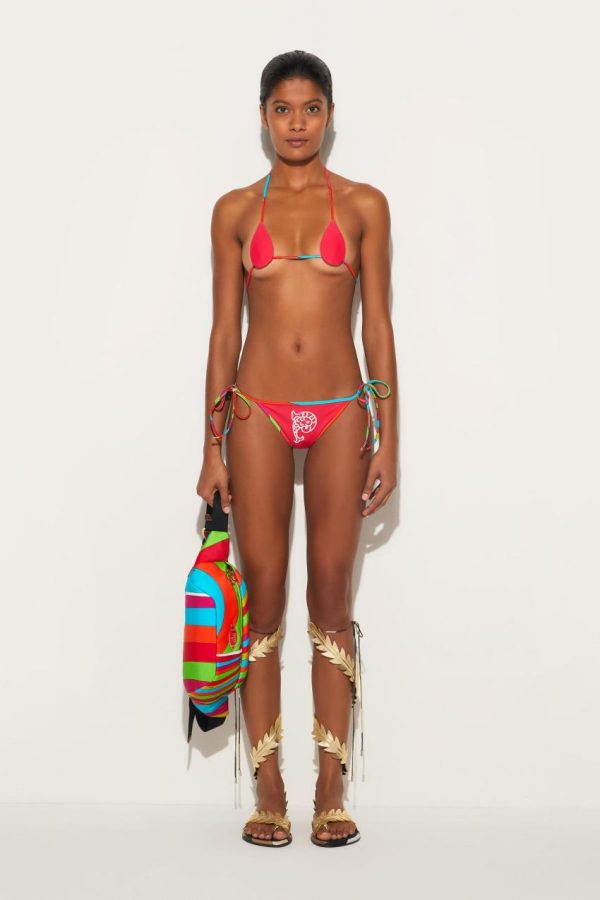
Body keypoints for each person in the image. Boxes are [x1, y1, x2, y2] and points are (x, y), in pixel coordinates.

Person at [196, 50, 399, 848]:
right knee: (264, 594)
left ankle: (332, 785)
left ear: (330, 114)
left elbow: (378, 326)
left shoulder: (365, 205)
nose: (297, 123)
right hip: (257, 412)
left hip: (342, 411)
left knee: (331, 597)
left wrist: (389, 436)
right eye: (282, 109)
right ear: (262, 116)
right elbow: (224, 333)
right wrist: (211, 444)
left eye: (311, 108)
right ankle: (269, 785)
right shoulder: (234, 212)